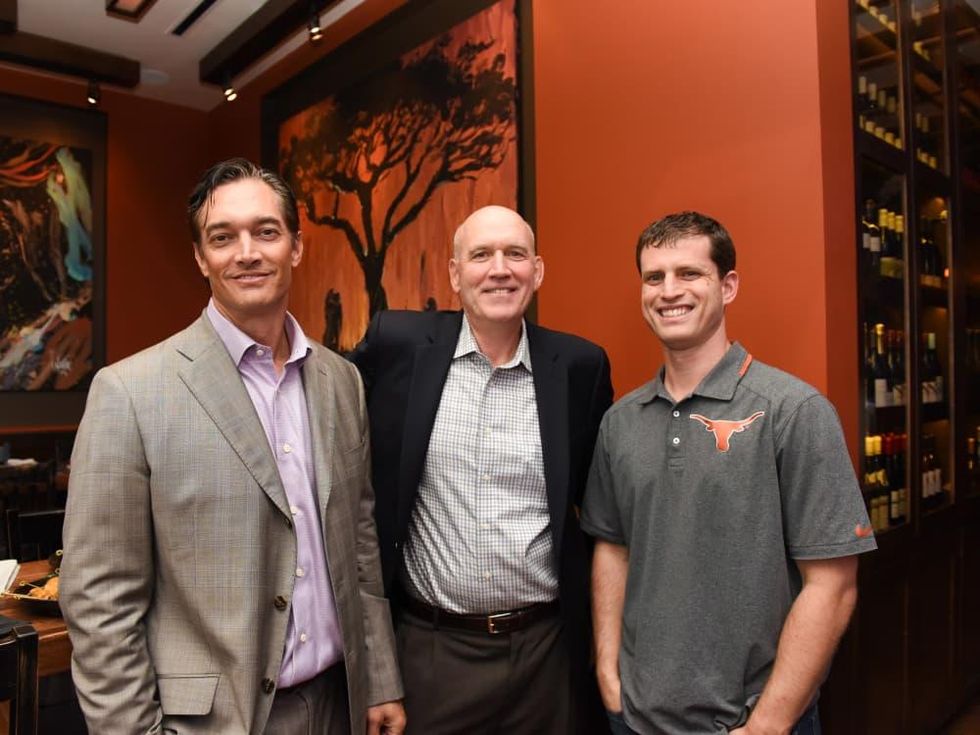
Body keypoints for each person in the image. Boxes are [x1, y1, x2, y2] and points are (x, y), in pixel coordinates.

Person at [60, 158, 405, 734]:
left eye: (266, 231)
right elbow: (99, 599)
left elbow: (360, 546)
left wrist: (380, 679)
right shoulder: (130, 392)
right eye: (223, 238)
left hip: (340, 703)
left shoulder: (341, 382)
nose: (247, 253)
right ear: (201, 257)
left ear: (296, 246)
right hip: (214, 722)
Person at [582, 211, 877, 735]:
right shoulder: (620, 422)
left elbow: (832, 586)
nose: (669, 291)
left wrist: (769, 723)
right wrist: (608, 672)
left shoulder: (794, 410)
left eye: (689, 273)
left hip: (751, 722)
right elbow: (613, 548)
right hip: (634, 719)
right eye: (654, 277)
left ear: (728, 285)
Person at [350, 205, 613, 734]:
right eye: (481, 255)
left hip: (546, 654)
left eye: (515, 254)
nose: (499, 269)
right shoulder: (397, 345)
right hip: (431, 652)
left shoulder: (580, 367)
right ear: (455, 274)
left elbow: (600, 513)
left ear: (537, 271)